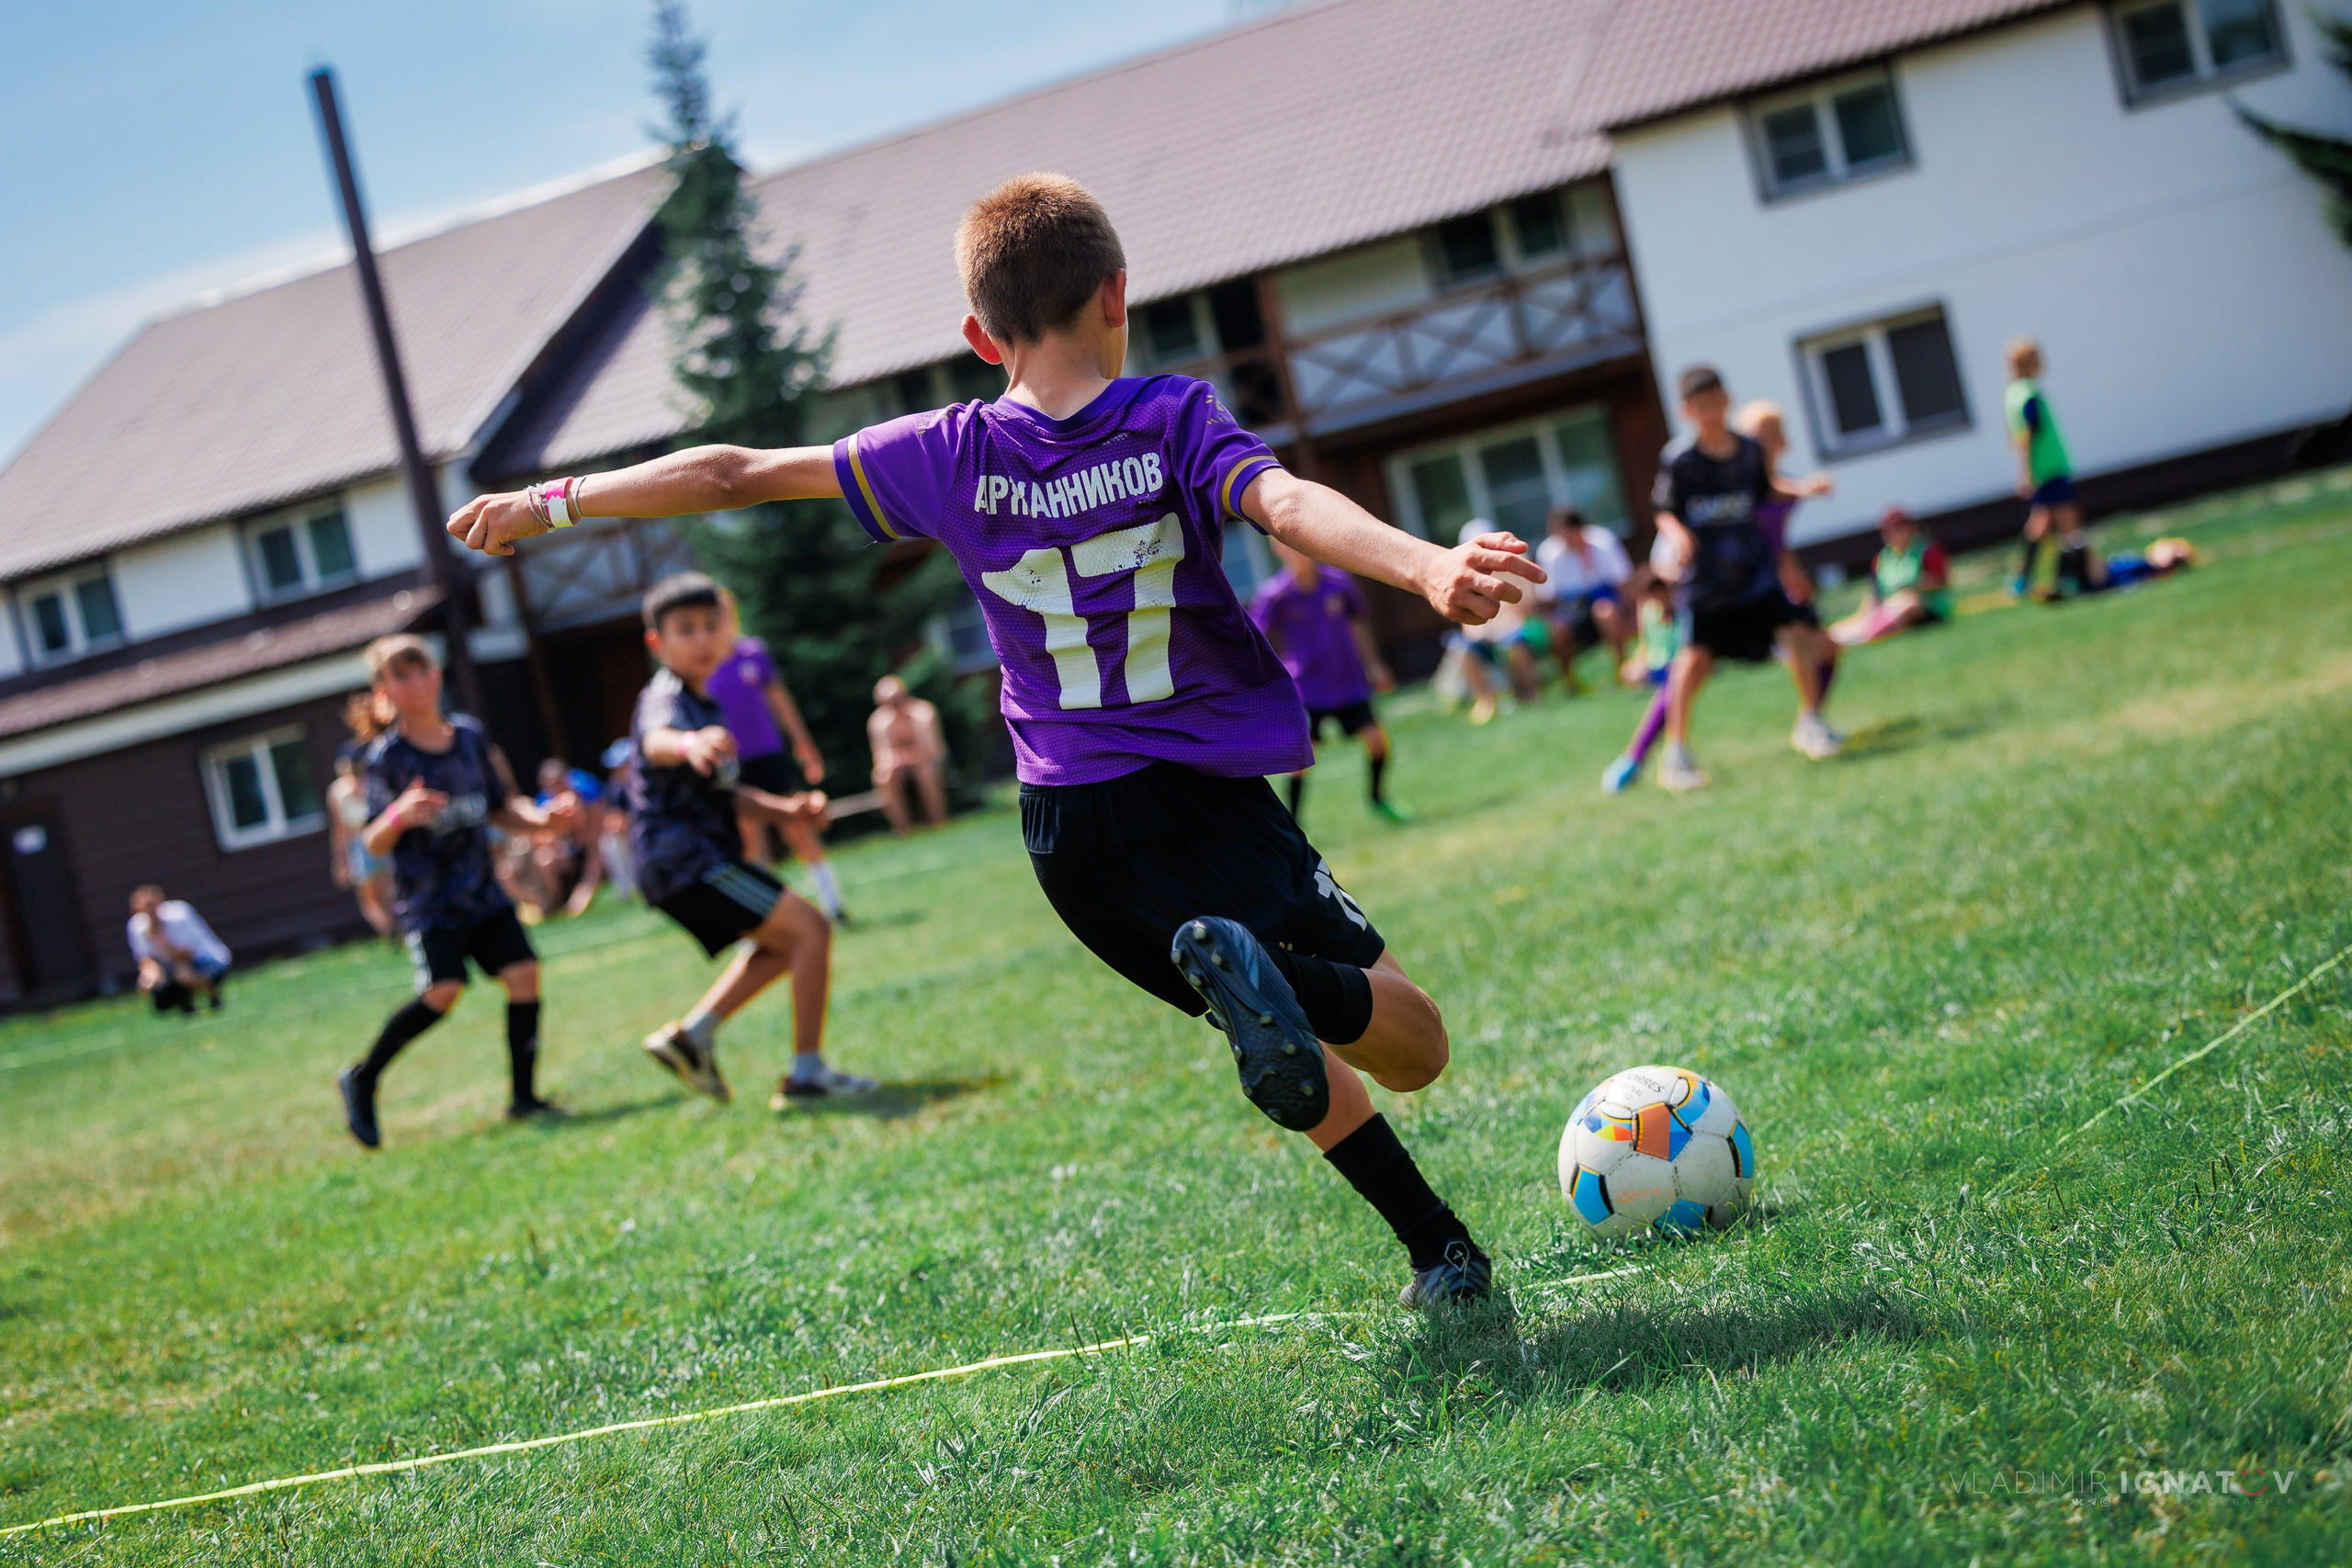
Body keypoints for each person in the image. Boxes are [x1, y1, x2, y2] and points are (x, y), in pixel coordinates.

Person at [444, 173, 1546, 1307]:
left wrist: (553, 501)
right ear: (1116, 294)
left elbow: (734, 474)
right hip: (1196, 796)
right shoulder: (1171, 417)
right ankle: (1291, 1007)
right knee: (1412, 1042)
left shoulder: (947, 452)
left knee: (1277, 1023)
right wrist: (1426, 564)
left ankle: (1438, 1250)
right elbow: (1288, 504)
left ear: (980, 337)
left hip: (1070, 835)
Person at [628, 573, 876, 1107]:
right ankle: (807, 1076)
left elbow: (727, 795)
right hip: (685, 861)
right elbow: (655, 741)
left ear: (728, 631)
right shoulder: (666, 699)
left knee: (785, 944)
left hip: (693, 859)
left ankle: (690, 1038)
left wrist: (788, 810)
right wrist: (689, 744)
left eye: (710, 625)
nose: (702, 638)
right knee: (811, 928)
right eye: (685, 629)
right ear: (657, 643)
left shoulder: (709, 703)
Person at [337, 635, 577, 1149]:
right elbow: (372, 841)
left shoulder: (469, 737)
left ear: (437, 674)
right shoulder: (387, 759)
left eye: (420, 669)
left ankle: (524, 1098)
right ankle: (362, 1077)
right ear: (384, 691)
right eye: (400, 675)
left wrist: (546, 821)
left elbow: (502, 808)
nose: (415, 682)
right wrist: (399, 814)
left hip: (482, 893)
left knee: (524, 973)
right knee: (443, 991)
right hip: (430, 903)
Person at [1647, 366, 1843, 792]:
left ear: (1727, 400)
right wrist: (1677, 535)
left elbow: (1766, 489)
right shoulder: (1681, 460)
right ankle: (1676, 755)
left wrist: (1805, 488)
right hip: (1706, 582)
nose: (1710, 413)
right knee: (1693, 662)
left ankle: (1811, 722)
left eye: (1715, 403)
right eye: (1700, 407)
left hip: (1753, 573)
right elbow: (1664, 509)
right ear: (1686, 411)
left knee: (1795, 635)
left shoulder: (1750, 451)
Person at [708, 590, 847, 921]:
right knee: (750, 844)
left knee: (798, 828)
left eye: (722, 613)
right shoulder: (704, 666)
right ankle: (761, 921)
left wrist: (803, 742)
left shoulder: (753, 653)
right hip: (731, 765)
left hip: (767, 755)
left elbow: (780, 701)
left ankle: (833, 906)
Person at [1248, 537, 1406, 825]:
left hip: (1347, 683)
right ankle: (1293, 822)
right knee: (1302, 759)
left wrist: (1373, 665)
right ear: (1277, 549)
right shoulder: (1276, 595)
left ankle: (1378, 799)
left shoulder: (1338, 584)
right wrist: (1268, 678)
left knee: (1377, 742)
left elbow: (1358, 623)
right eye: (1288, 545)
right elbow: (1255, 637)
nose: (1298, 551)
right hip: (1307, 689)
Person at [1734, 400, 1838, 702]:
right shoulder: (1740, 484)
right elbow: (1766, 489)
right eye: (1758, 435)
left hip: (1774, 578)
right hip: (1744, 586)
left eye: (1772, 432)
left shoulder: (1786, 489)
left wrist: (1793, 573)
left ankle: (1811, 715)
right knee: (1797, 640)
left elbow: (1777, 538)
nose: (1765, 442)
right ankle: (1811, 715)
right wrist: (1805, 488)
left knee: (1826, 647)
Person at [2006, 338, 2083, 601]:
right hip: (2047, 467)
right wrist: (2025, 471)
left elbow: (2015, 435)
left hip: (2043, 468)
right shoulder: (2028, 392)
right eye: (2038, 358)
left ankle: (2022, 577)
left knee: (2040, 523)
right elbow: (2029, 433)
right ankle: (2068, 578)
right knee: (2068, 523)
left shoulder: (2013, 393)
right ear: (2028, 362)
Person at [1449, 519, 1546, 723]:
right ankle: (1485, 700)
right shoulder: (1462, 574)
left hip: (1521, 628)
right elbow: (1466, 619)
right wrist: (1480, 634)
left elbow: (1528, 606)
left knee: (1514, 642)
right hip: (1487, 634)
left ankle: (1530, 693)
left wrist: (1503, 628)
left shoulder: (1518, 563)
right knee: (1461, 647)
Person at [1533, 506, 1633, 692]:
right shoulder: (1548, 552)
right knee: (1558, 630)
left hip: (1603, 597)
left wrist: (1627, 611)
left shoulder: (1603, 542)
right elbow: (1547, 596)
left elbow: (1622, 582)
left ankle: (1623, 669)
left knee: (1606, 612)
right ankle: (1569, 683)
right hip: (1571, 606)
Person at [1600, 574, 1682, 793]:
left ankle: (1635, 758)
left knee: (1670, 691)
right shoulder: (1649, 613)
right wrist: (1637, 664)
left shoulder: (1683, 610)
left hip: (1676, 667)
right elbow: (1645, 646)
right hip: (1656, 668)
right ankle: (1637, 758)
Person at [1832, 508, 1953, 646]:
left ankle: (1868, 636)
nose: (1896, 533)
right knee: (1860, 619)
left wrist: (1914, 587)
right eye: (1890, 529)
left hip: (1925, 606)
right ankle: (1838, 637)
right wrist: (1865, 613)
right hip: (1889, 606)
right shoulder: (1882, 559)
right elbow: (1875, 593)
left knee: (1907, 603)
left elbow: (1940, 580)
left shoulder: (1926, 550)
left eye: (1901, 527)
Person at [327, 736, 395, 937]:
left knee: (371, 901)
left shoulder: (337, 791)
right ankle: (400, 931)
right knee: (389, 893)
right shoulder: (372, 782)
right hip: (380, 837)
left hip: (359, 844)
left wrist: (340, 860)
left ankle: (390, 933)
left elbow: (340, 830)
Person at [126, 886, 230, 1013]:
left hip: (205, 960)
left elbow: (187, 953)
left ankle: (212, 995)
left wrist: (158, 939)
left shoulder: (178, 915)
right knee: (151, 984)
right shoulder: (137, 926)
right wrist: (151, 976)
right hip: (171, 966)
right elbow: (145, 959)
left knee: (182, 975)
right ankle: (184, 1004)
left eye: (151, 905)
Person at [867, 675, 949, 835]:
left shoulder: (923, 712)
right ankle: (903, 829)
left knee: (925, 772)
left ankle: (938, 822)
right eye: (888, 702)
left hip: (927, 763)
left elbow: (933, 750)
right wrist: (900, 759)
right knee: (883, 777)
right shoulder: (878, 722)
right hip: (898, 767)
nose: (894, 705)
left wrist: (906, 756)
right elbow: (880, 757)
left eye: (897, 699)